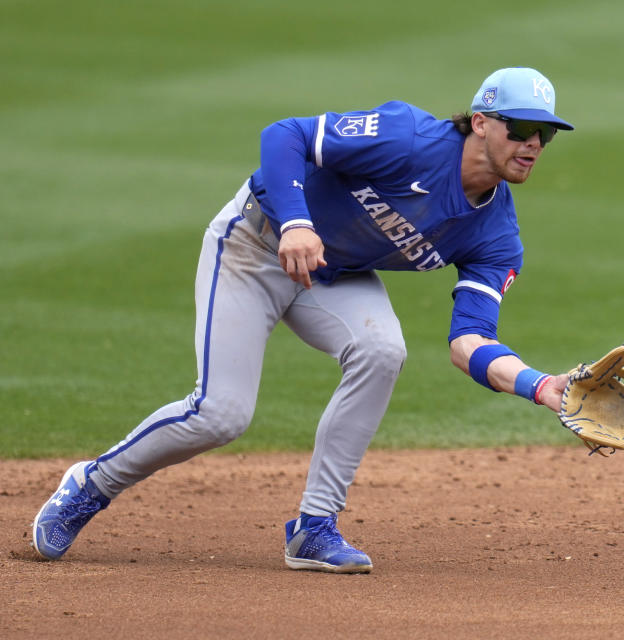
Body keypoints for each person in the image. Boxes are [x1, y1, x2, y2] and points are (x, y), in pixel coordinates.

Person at [31, 67, 575, 574]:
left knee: (383, 351)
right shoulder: (407, 137)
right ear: (480, 123)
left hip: (331, 275)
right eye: (522, 128)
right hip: (254, 244)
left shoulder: (497, 237)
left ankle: (314, 527)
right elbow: (285, 134)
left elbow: (470, 343)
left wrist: (542, 386)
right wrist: (295, 222)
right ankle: (90, 484)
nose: (532, 145)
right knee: (221, 414)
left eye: (544, 136)